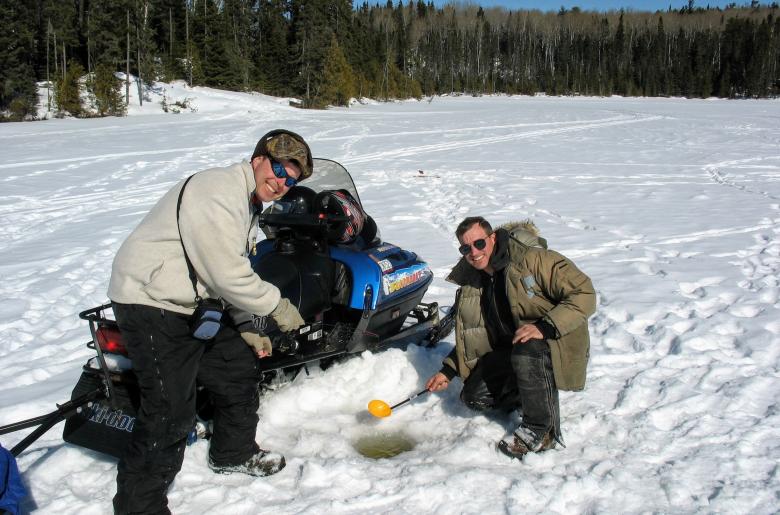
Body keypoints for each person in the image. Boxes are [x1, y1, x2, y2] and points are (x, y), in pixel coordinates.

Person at [107, 129, 313, 514]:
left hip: (193, 303)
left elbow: (220, 274)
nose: (282, 183)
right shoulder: (218, 189)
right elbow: (226, 274)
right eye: (278, 169)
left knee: (237, 371)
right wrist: (277, 307)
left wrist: (245, 325)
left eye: (291, 179)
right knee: (169, 414)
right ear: (258, 159)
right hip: (152, 301)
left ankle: (232, 453)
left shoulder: (247, 204)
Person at [426, 216, 596, 459]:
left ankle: (541, 430)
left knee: (528, 347)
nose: (474, 252)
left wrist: (545, 327)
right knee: (474, 397)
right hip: (513, 350)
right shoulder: (475, 282)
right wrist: (449, 370)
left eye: (479, 243)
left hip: (554, 341)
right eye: (466, 248)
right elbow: (474, 334)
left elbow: (584, 293)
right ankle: (533, 394)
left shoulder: (533, 260)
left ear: (493, 238)